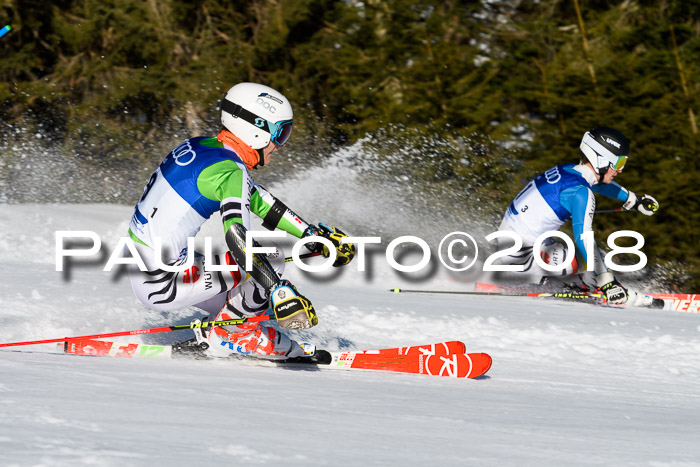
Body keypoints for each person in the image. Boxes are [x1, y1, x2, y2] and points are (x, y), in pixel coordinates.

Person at [126, 82, 355, 359]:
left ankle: (233, 328)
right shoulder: (232, 171)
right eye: (280, 133)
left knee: (260, 304)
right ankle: (230, 335)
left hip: (148, 267)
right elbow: (238, 239)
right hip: (164, 283)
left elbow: (259, 200)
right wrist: (277, 287)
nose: (280, 146)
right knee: (271, 258)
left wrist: (311, 234)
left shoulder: (202, 146)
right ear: (256, 130)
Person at [495, 127, 659, 305]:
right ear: (602, 160)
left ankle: (556, 281)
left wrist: (633, 200)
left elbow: (599, 185)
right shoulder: (581, 193)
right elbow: (584, 238)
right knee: (596, 257)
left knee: (579, 256)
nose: (620, 171)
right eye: (618, 164)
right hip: (521, 257)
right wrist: (607, 281)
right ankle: (563, 285)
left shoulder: (567, 171)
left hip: (510, 243)